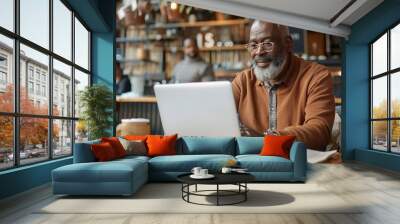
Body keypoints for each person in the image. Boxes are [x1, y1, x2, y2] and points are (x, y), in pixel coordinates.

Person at [232, 20, 335, 150]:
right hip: (250, 161)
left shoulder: (315, 76)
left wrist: (275, 139)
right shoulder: (242, 81)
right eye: (253, 45)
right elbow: (218, 119)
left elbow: (320, 132)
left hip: (298, 164)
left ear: (288, 44)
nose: (259, 52)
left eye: (267, 44)